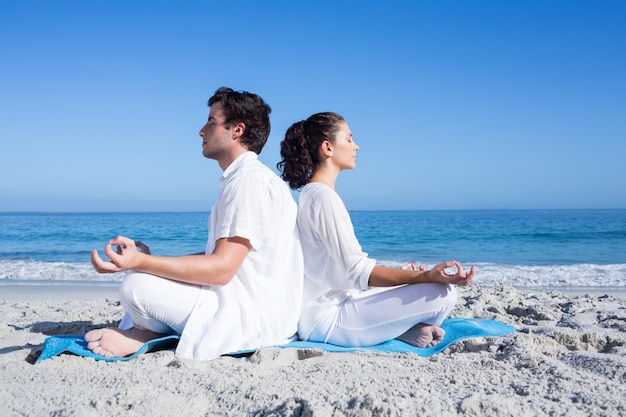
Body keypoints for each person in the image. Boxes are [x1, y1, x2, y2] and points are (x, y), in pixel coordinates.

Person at [86, 87, 303, 361]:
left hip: (254, 317)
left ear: (237, 130)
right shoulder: (245, 179)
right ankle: (152, 332)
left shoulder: (249, 182)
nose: (202, 131)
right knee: (143, 277)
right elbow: (218, 258)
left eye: (211, 122)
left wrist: (138, 264)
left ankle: (149, 334)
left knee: (135, 286)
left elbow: (221, 270)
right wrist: (149, 261)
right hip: (257, 307)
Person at [277, 112, 475, 348]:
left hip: (334, 304)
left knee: (423, 286)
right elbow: (358, 271)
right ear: (327, 147)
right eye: (349, 139)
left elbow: (341, 272)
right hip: (326, 320)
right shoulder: (322, 197)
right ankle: (395, 331)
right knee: (442, 293)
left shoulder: (313, 194)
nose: (356, 146)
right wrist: (426, 276)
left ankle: (399, 329)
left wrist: (404, 279)